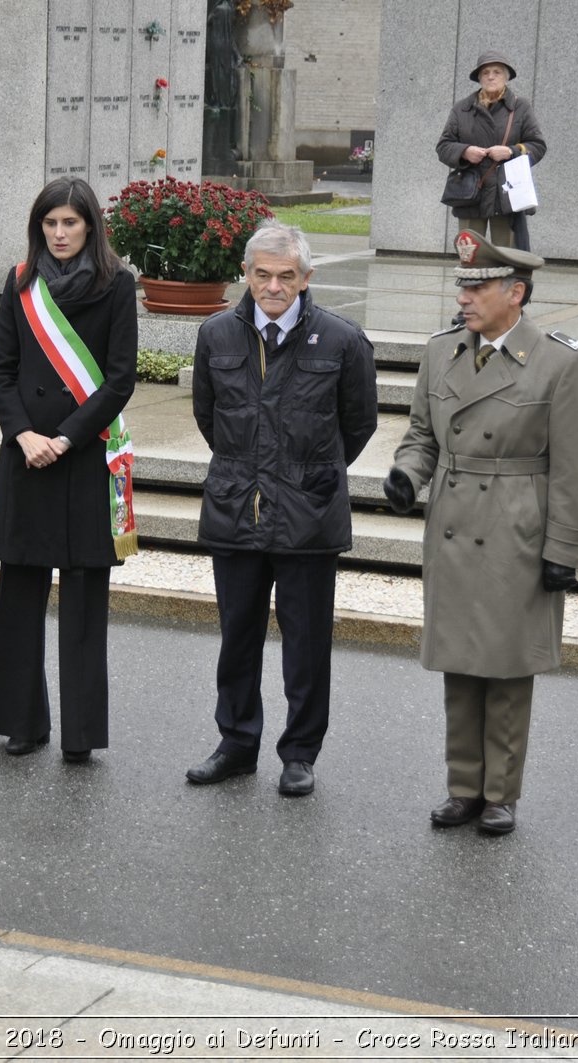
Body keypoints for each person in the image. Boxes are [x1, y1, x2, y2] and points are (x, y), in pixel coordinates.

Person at [382, 230, 578, 836]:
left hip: (516, 526)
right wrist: (407, 474)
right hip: (453, 519)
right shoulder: (442, 351)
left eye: (478, 287)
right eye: (463, 285)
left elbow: (576, 470)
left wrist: (564, 550)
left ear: (516, 293)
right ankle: (463, 788)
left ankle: (500, 793)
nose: (465, 298)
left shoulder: (560, 362)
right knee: (460, 662)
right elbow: (422, 434)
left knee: (504, 666)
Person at [186, 220, 378, 797]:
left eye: (286, 276)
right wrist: (246, 469)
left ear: (307, 277)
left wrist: (307, 476)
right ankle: (237, 743)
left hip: (308, 512)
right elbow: (208, 417)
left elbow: (358, 425)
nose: (273, 287)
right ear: (246, 274)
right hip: (235, 505)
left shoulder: (343, 340)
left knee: (306, 642)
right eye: (262, 274)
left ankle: (299, 752)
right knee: (237, 636)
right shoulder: (216, 334)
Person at [0, 177, 138, 762]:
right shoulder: (21, 282)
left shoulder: (117, 284)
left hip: (83, 456)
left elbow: (121, 377)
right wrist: (23, 433)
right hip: (26, 457)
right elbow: (2, 367)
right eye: (51, 223)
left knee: (82, 604)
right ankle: (22, 723)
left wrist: (65, 437)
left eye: (71, 222)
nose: (60, 233)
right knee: (20, 596)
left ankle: (80, 734)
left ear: (91, 226)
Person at [436, 51, 545, 252]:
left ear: (506, 77)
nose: (491, 76)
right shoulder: (462, 109)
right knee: (471, 258)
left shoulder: (520, 107)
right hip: (470, 195)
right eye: (485, 72)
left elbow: (537, 145)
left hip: (506, 195)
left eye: (496, 72)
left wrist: (511, 151)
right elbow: (443, 146)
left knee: (508, 258)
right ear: (479, 77)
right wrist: (464, 151)